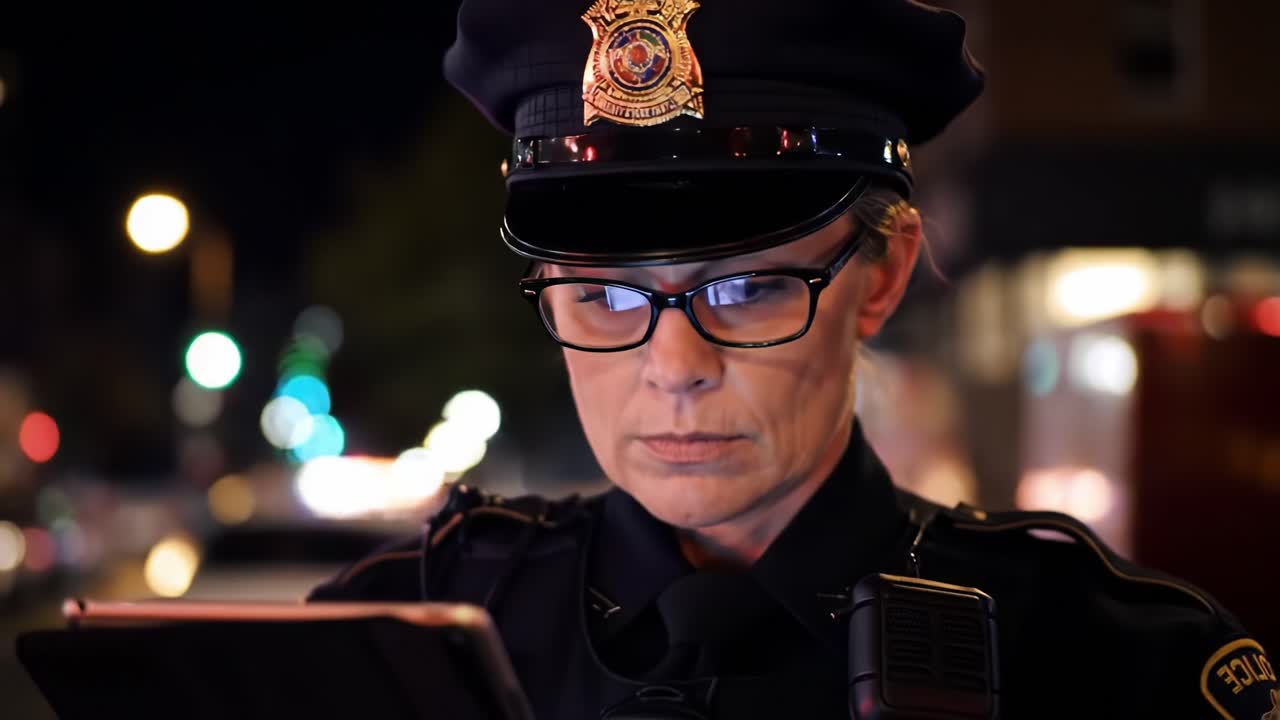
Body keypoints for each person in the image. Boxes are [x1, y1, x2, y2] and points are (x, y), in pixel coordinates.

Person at [309, 0, 1276, 717]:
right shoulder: (391, 642)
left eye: (746, 287)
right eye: (605, 295)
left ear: (883, 275)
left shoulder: (1112, 665)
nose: (675, 363)